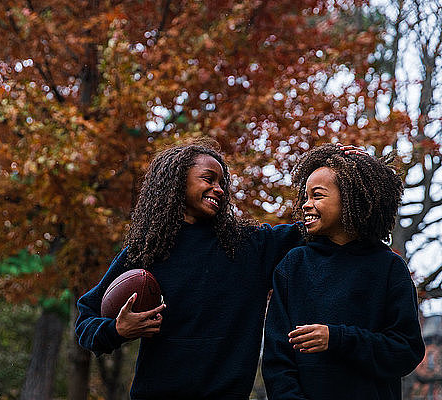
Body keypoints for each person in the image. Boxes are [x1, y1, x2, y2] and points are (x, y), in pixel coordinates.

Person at [75, 139, 305, 399]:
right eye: (208, 179)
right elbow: (86, 319)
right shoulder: (147, 251)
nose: (218, 189)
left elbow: (314, 226)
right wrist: (117, 330)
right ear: (177, 182)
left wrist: (346, 169)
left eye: (221, 183)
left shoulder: (251, 246)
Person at [262, 144, 425, 400]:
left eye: (317, 195)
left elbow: (405, 351)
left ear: (350, 198)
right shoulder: (293, 265)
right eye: (305, 197)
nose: (306, 205)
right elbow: (277, 359)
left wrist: (338, 339)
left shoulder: (389, 268)